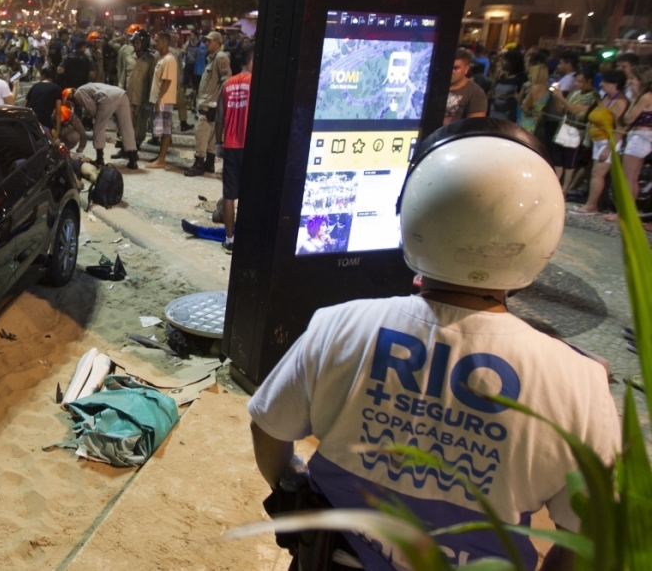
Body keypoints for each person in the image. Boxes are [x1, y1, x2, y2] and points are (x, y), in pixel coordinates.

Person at [249, 118, 620, 571]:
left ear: (412, 212)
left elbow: (268, 428)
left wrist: (290, 487)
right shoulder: (580, 385)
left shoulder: (338, 326)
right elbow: (588, 540)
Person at [572, 69, 629, 216]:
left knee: (598, 173)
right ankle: (593, 204)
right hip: (597, 141)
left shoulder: (620, 102)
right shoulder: (604, 98)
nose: (601, 84)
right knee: (595, 173)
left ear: (614, 84)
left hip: (609, 142)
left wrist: (608, 149)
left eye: (604, 82)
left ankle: (591, 206)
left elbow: (620, 129)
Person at [608, 65, 652, 229]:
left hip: (639, 138)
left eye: (633, 79)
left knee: (628, 177)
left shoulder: (645, 97)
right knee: (633, 177)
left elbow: (628, 119)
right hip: (645, 138)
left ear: (641, 80)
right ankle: (628, 212)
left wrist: (633, 100)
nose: (630, 82)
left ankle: (623, 214)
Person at [215, 67, 252, 253]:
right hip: (249, 144)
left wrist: (218, 143)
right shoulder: (255, 82)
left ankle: (229, 240)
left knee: (229, 195)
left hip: (230, 145)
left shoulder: (227, 84)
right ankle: (247, 239)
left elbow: (219, 117)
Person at [186, 31, 232, 177]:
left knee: (201, 133)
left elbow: (226, 80)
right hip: (211, 103)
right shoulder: (212, 58)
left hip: (209, 104)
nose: (206, 43)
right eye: (206, 41)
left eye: (210, 41)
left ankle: (199, 164)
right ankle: (209, 163)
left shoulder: (220, 57)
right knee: (211, 135)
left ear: (218, 42)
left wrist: (219, 102)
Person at [548, 67, 597, 189]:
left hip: (576, 132)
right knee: (558, 161)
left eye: (580, 81)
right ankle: (554, 185)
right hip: (563, 129)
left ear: (589, 81)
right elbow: (561, 110)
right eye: (576, 81)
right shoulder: (574, 93)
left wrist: (561, 97)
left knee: (570, 163)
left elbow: (575, 110)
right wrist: (557, 98)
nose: (577, 84)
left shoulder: (593, 97)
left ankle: (565, 189)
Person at [71, 82, 139, 170]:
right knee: (127, 127)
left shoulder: (78, 94)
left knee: (98, 127)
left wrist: (100, 117)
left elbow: (93, 109)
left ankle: (99, 160)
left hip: (108, 97)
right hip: (121, 94)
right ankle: (133, 160)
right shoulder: (86, 87)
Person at [148, 31, 179, 169]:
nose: (154, 43)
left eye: (157, 41)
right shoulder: (163, 58)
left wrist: (159, 99)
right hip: (161, 100)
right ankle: (160, 157)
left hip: (164, 100)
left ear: (164, 42)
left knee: (165, 131)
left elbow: (167, 82)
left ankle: (161, 160)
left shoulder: (169, 59)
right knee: (162, 130)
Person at [127, 31, 158, 148]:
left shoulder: (151, 60)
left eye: (138, 42)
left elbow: (152, 80)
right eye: (134, 42)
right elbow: (123, 76)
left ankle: (136, 145)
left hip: (141, 97)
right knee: (126, 123)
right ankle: (127, 146)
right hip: (128, 96)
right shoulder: (129, 57)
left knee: (140, 123)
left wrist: (150, 100)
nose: (135, 45)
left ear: (144, 43)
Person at [444, 48, 488, 125]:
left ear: (466, 69)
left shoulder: (476, 93)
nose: (451, 71)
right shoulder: (432, 85)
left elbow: (474, 125)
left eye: (456, 68)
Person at [23, 65, 63, 135]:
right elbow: (58, 112)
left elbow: (24, 105)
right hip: (44, 123)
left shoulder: (34, 86)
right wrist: (57, 133)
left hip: (29, 122)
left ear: (43, 76)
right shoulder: (57, 89)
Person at [489, 50, 525, 122]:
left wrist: (510, 96)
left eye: (505, 60)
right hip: (494, 111)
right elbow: (493, 90)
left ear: (513, 63)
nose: (502, 62)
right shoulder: (502, 77)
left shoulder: (521, 79)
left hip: (508, 114)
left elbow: (520, 98)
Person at [519, 62, 550, 135]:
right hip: (536, 124)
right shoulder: (546, 89)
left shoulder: (535, 88)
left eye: (531, 74)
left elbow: (525, 108)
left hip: (527, 124)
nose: (529, 76)